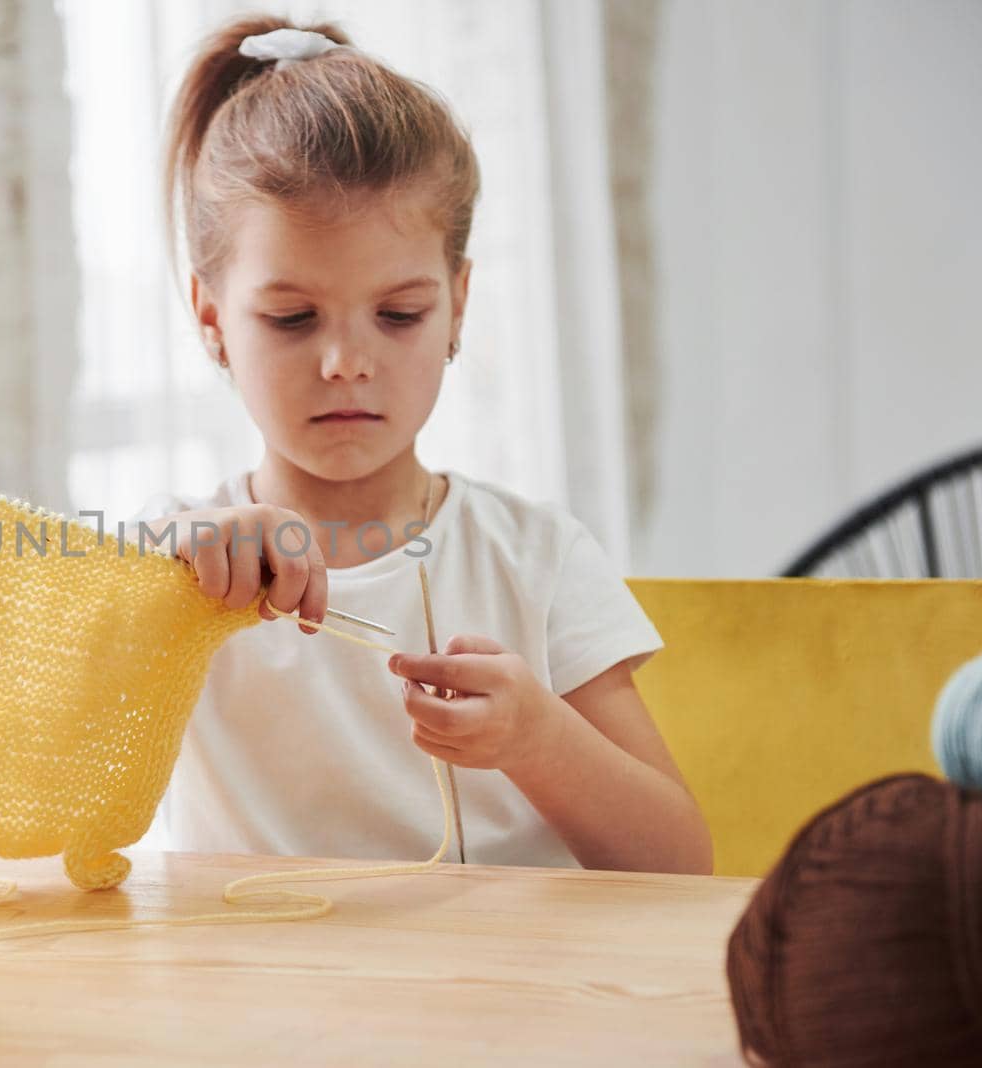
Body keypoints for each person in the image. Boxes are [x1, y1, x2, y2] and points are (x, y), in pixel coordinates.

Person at [133, 17, 711, 873]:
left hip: (505, 1000)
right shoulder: (169, 562)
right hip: (256, 1002)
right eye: (292, 319)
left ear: (458, 305)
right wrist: (143, 594)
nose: (346, 364)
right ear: (212, 319)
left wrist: (539, 738)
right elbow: (24, 787)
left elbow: (681, 866)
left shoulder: (535, 560)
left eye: (399, 315)